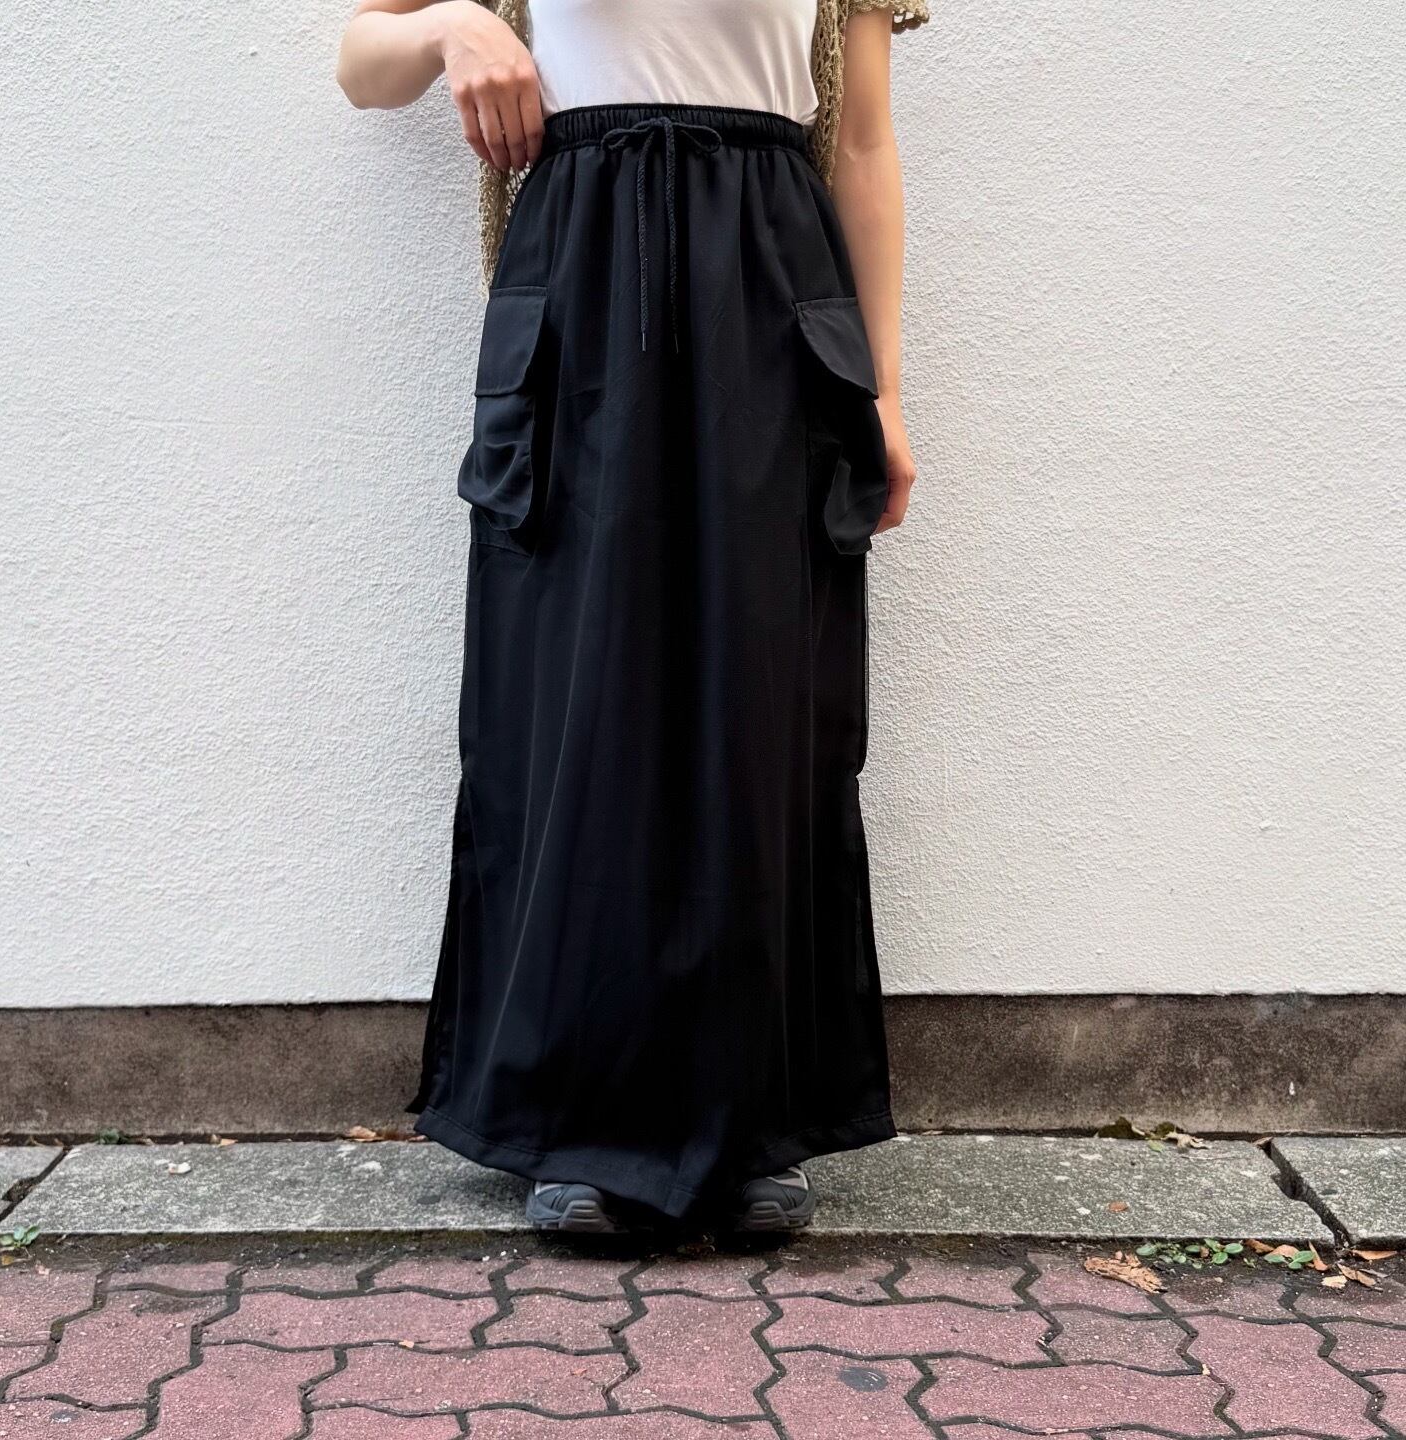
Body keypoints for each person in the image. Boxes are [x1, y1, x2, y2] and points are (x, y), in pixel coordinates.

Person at [337, 0, 923, 1234]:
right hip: (582, 270)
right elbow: (361, 65)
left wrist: (885, 391)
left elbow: (865, 143)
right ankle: (577, 1118)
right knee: (577, 702)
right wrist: (453, 26)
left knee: (759, 704)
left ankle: (752, 1119)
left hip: (773, 276)